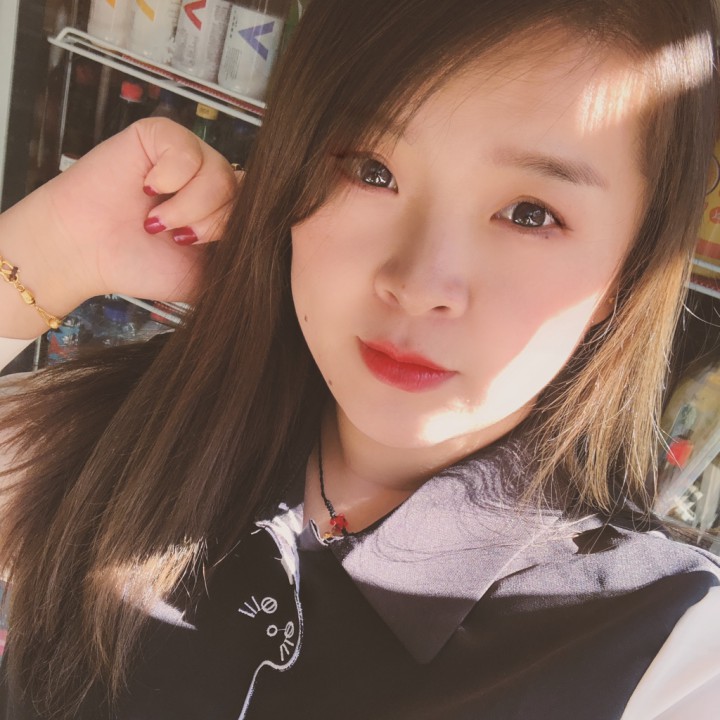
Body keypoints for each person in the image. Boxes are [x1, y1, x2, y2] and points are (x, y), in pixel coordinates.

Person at [1, 0, 719, 717]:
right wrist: (49, 253)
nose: (417, 285)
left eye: (531, 213)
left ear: (631, 266)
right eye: (371, 170)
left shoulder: (664, 649)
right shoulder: (116, 439)